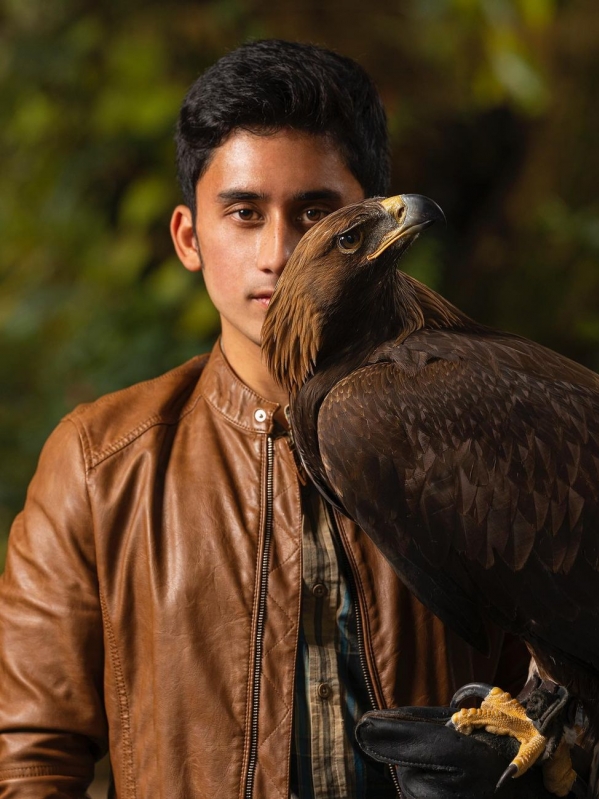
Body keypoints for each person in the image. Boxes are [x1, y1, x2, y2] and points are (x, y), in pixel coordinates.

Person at [0, 40, 531, 798]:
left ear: (375, 229)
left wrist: (529, 776)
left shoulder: (480, 448)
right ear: (189, 237)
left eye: (317, 212)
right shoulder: (100, 465)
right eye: (244, 213)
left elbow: (585, 708)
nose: (280, 253)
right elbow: (27, 759)